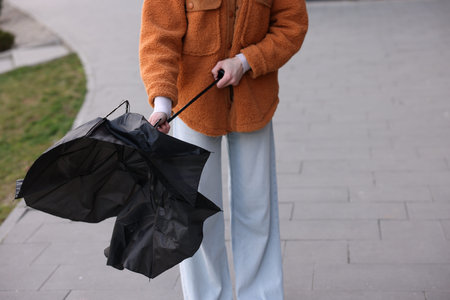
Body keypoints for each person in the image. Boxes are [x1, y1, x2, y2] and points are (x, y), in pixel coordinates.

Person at [139, 0, 308, 298]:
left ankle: (261, 294)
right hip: (192, 108)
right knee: (195, 216)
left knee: (257, 210)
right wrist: (162, 104)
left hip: (255, 104)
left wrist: (245, 61)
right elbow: (158, 34)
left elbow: (291, 25)